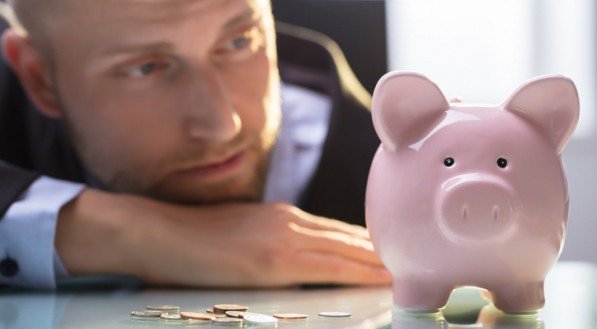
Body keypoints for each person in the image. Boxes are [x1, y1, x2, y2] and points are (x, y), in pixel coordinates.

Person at [0, 0, 388, 289]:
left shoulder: (386, 174)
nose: (222, 125)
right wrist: (134, 234)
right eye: (145, 67)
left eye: (238, 42)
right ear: (39, 78)